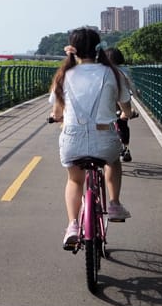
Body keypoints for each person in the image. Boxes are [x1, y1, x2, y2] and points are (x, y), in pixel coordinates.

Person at [48, 27, 133, 250]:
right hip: (105, 138)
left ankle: (73, 225)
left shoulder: (63, 75)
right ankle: (114, 204)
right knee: (113, 161)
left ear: (72, 49)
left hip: (73, 141)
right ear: (98, 48)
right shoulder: (112, 73)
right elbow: (126, 105)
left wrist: (56, 117)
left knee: (75, 180)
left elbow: (57, 113)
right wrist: (127, 113)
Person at [106, 47, 137, 162]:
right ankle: (126, 148)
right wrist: (137, 95)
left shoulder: (103, 71)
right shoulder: (125, 70)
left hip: (107, 103)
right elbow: (132, 85)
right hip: (123, 100)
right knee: (123, 123)